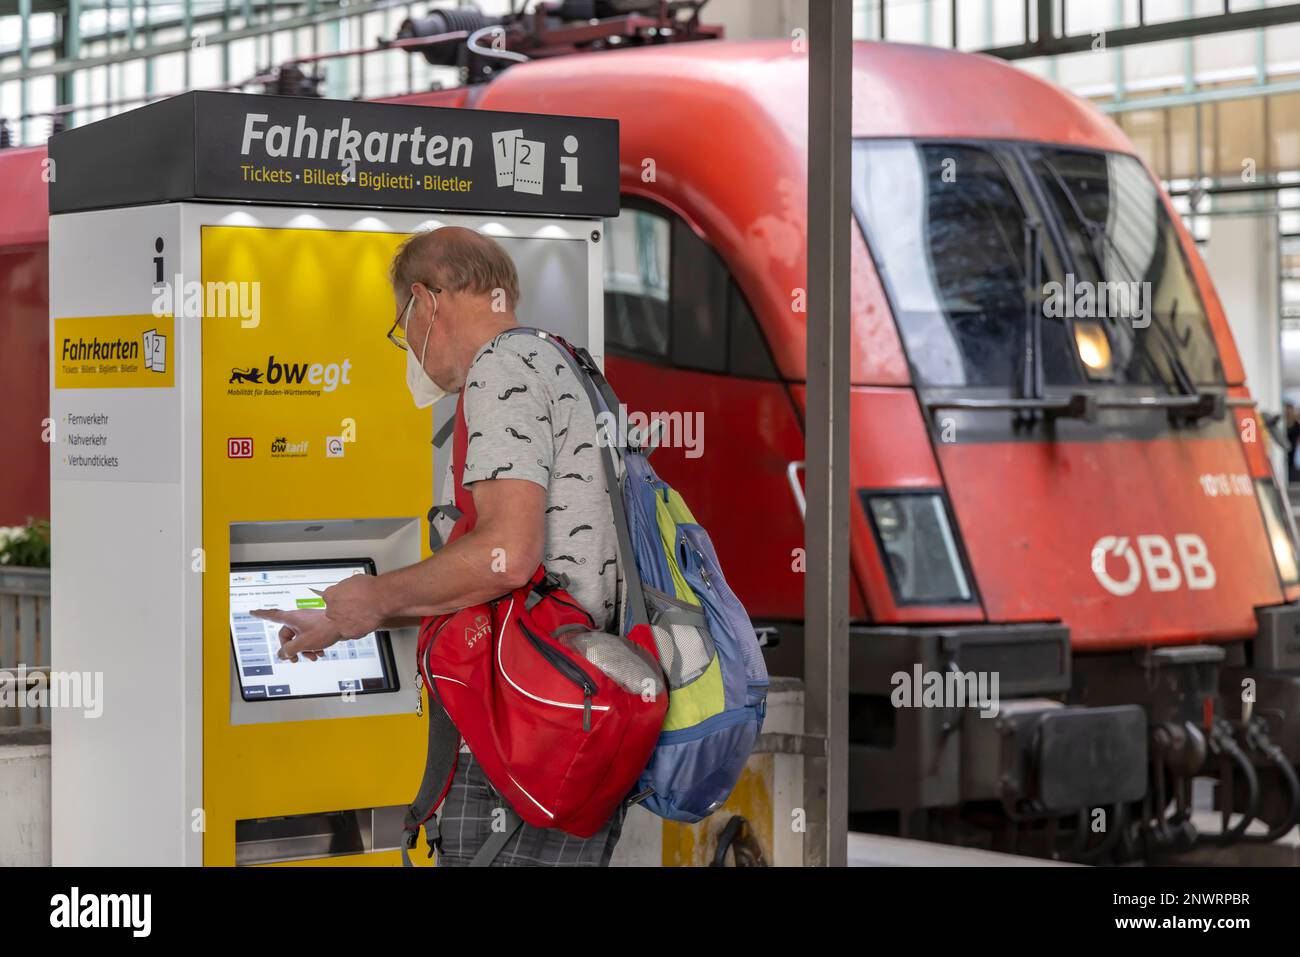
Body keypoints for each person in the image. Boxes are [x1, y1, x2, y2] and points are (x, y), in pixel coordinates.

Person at [252, 226, 623, 866]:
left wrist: (372, 595)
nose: (411, 350)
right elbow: (508, 573)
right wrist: (351, 618)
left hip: (525, 725)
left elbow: (506, 554)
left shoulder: (500, 371)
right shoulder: (562, 360)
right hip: (577, 713)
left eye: (404, 328)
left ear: (426, 303)